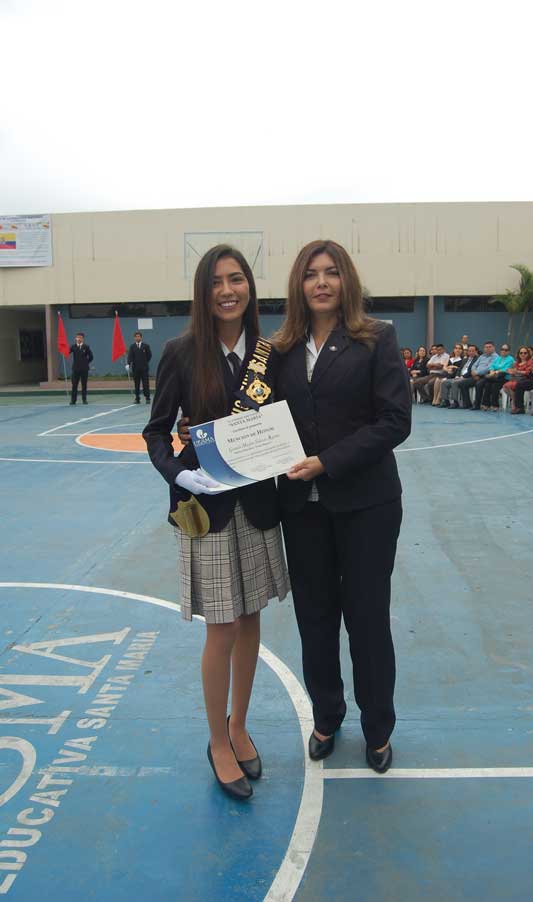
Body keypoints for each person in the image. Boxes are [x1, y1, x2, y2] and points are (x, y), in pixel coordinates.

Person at [143, 245, 289, 801]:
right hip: (207, 508)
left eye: (238, 280)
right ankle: (216, 739)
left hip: (258, 504)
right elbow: (157, 432)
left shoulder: (272, 354)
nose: (228, 290)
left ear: (250, 287)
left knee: (250, 619)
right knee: (221, 627)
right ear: (203, 293)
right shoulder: (182, 353)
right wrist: (179, 477)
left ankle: (240, 724)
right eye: (217, 282)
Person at [273, 239, 412, 774]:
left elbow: (394, 421)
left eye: (331, 273)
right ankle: (327, 717)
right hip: (301, 509)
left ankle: (378, 728)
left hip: (367, 505)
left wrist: (327, 462)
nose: (322, 282)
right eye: (312, 274)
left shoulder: (376, 338)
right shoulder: (279, 348)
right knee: (314, 619)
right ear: (299, 284)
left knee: (368, 619)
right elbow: (252, 417)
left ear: (346, 280)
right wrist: (206, 435)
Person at [441, 344, 479, 408]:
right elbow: (459, 369)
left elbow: (471, 371)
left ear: (476, 351)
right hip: (460, 377)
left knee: (454, 383)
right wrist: (457, 376)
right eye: (469, 351)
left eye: (473, 351)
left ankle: (455, 402)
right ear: (467, 352)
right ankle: (445, 401)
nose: (471, 352)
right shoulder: (465, 359)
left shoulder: (477, 359)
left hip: (470, 377)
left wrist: (462, 377)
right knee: (444, 382)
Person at [479, 344, 515, 410]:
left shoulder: (510, 359)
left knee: (494, 385)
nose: (503, 351)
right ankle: (486, 404)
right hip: (495, 377)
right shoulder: (498, 358)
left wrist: (495, 372)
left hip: (504, 377)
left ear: (509, 351)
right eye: (502, 349)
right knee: (487, 385)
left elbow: (506, 369)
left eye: (506, 350)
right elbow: (492, 366)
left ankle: (495, 405)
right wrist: (492, 371)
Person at [463, 341, 496, 410]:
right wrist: (473, 372)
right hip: (476, 375)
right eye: (486, 347)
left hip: (486, 376)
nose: (488, 349)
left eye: (490, 347)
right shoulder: (482, 356)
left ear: (493, 348)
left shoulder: (495, 357)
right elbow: (474, 365)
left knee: (479, 384)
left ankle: (477, 405)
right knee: (462, 384)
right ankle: (467, 403)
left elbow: (489, 368)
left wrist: (477, 373)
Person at [127, 330, 152, 404]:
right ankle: (137, 398)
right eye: (136, 336)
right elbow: (130, 356)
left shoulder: (146, 346)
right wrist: (128, 364)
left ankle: (147, 398)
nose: (137, 338)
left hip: (144, 368)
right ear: (134, 338)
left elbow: (149, 356)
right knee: (136, 384)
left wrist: (144, 362)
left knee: (145, 383)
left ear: (141, 337)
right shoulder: (132, 346)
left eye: (139, 336)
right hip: (135, 368)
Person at [69, 331, 93, 405]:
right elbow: (67, 352)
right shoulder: (73, 347)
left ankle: (84, 399)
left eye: (80, 337)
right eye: (77, 337)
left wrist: (86, 363)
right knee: (74, 385)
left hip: (84, 369)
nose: (78, 339)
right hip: (75, 369)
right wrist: (63, 349)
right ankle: (73, 400)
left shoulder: (86, 347)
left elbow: (91, 357)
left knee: (84, 385)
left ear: (83, 339)